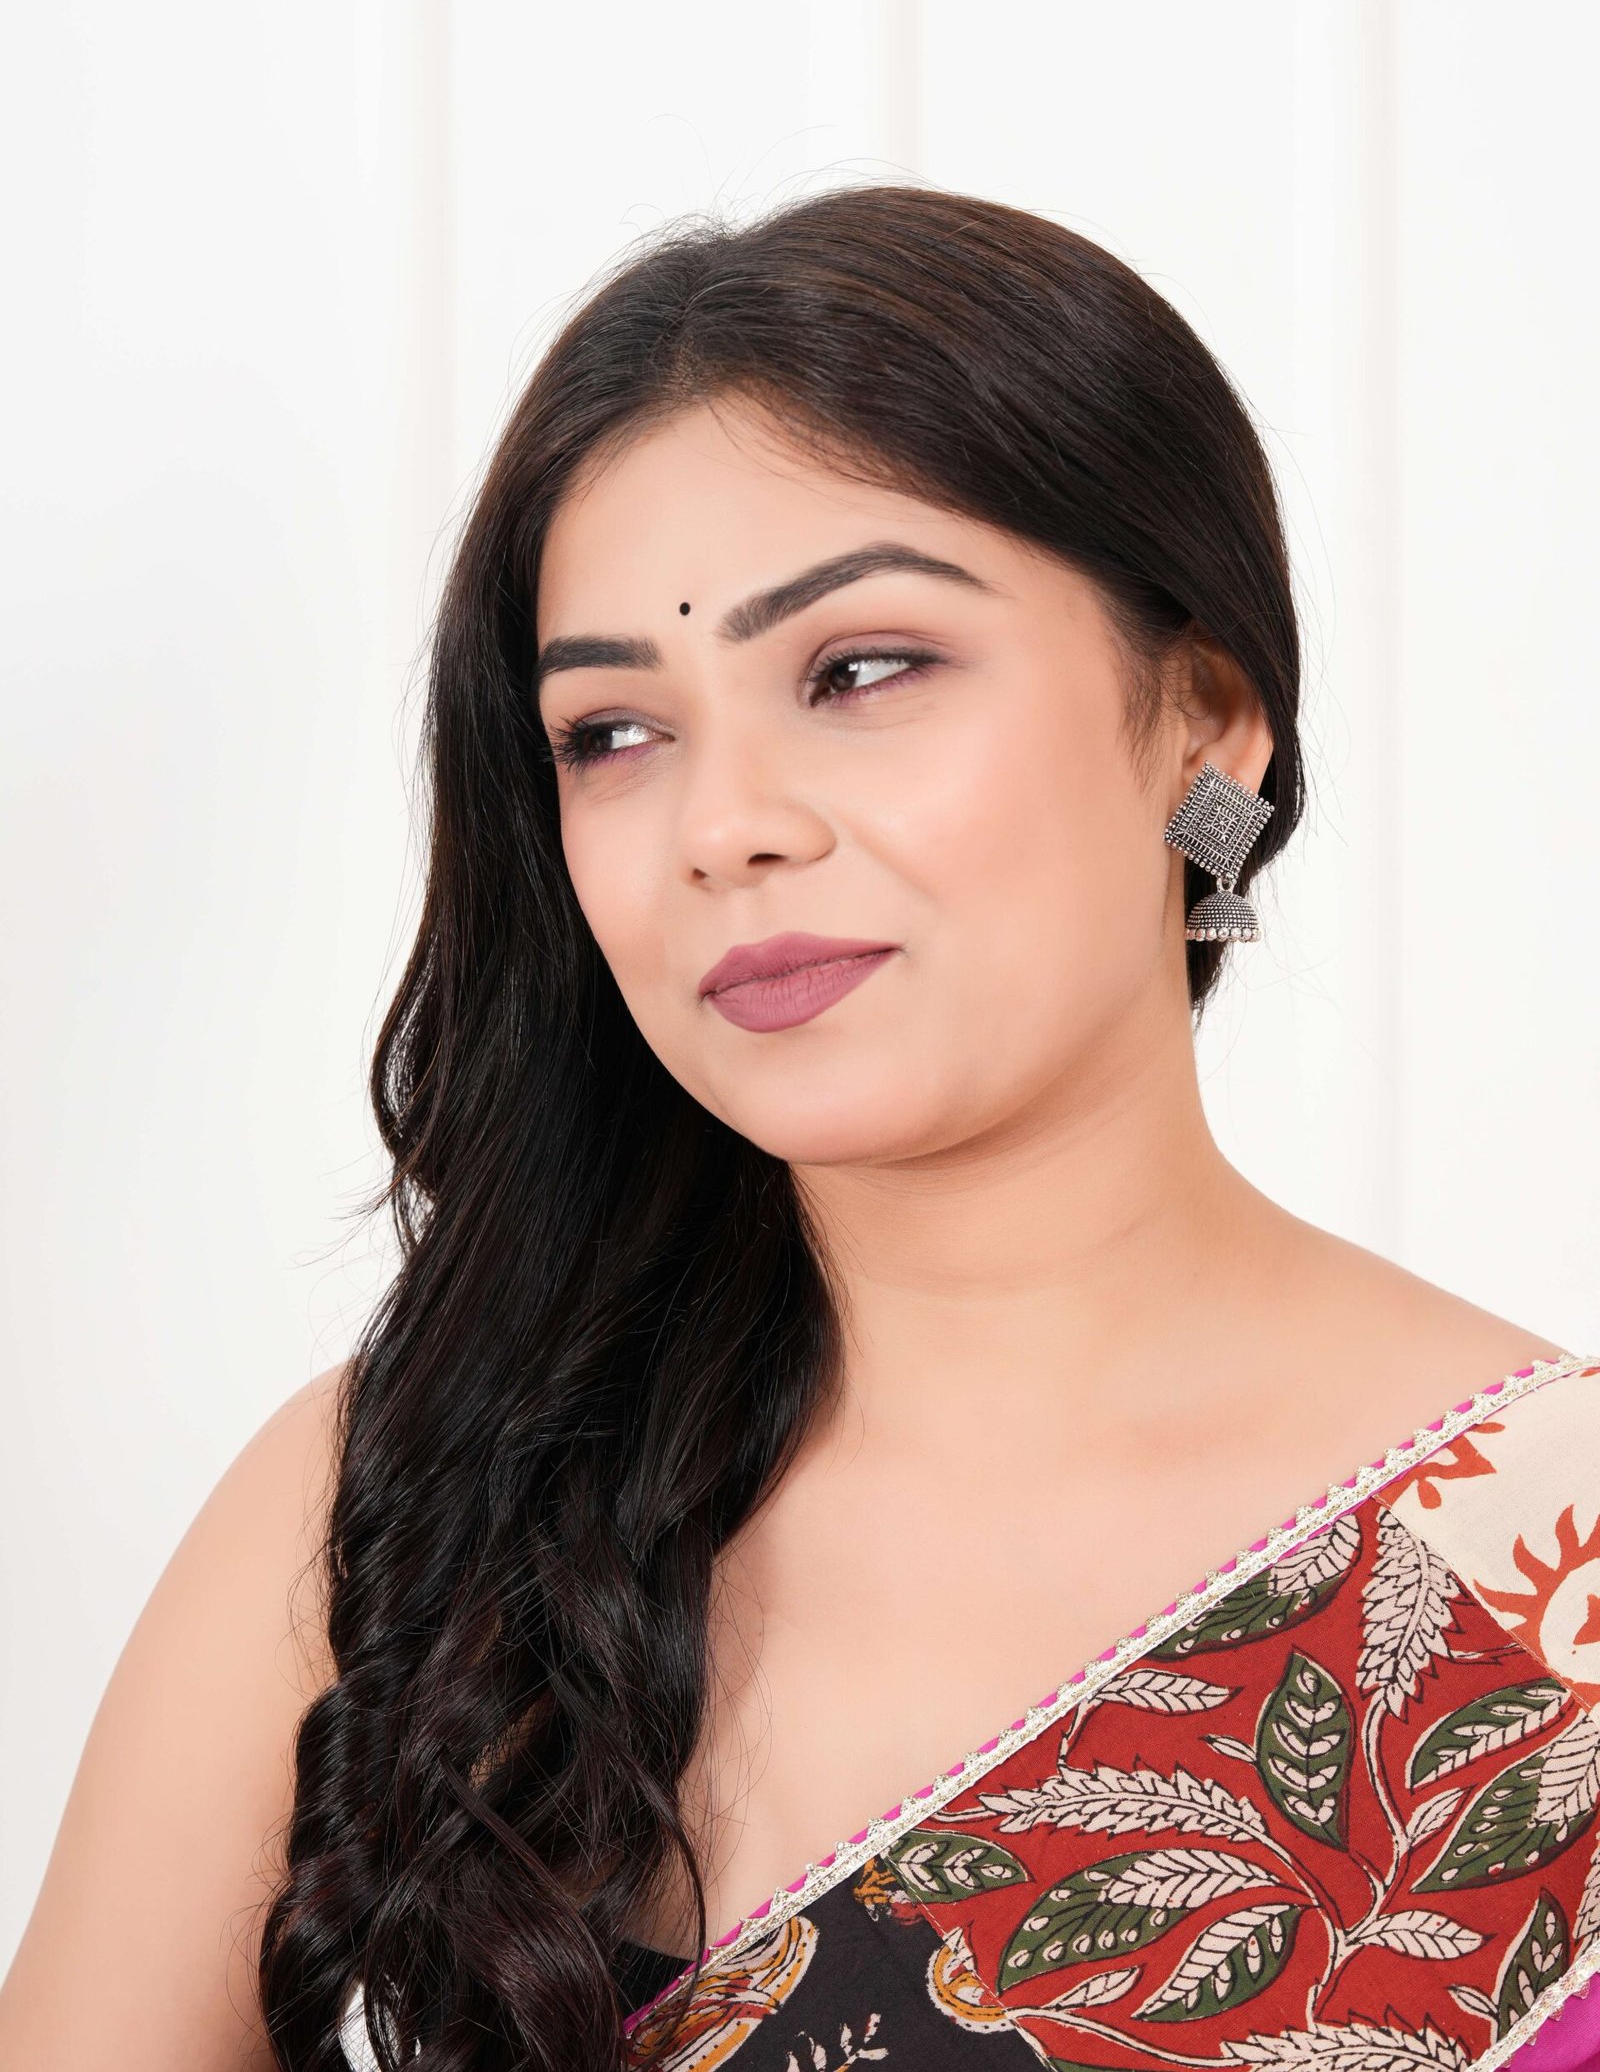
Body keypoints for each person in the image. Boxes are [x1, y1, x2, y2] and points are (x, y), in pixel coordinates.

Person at [3, 183, 1595, 2072]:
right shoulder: (415, 1499)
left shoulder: (1549, 1577)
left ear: (1207, 723)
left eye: (860, 670)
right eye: (613, 733)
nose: (722, 824)